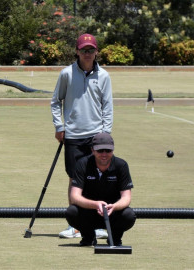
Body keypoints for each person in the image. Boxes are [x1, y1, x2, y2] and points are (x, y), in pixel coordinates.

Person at [51, 33, 113, 239]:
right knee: (75, 179)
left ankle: (97, 225)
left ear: (96, 52)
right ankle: (75, 225)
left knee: (97, 179)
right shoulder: (66, 74)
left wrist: (106, 134)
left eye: (91, 50)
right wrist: (59, 126)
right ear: (77, 51)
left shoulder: (103, 76)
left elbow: (107, 107)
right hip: (74, 135)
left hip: (96, 136)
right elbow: (55, 101)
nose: (87, 54)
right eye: (84, 50)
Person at [65, 133, 136, 246]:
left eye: (108, 151)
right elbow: (74, 196)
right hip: (89, 212)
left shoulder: (121, 165)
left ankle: (115, 238)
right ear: (92, 150)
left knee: (129, 215)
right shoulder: (82, 164)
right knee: (71, 212)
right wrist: (95, 204)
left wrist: (114, 206)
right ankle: (88, 237)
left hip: (112, 212)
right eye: (100, 150)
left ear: (113, 150)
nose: (104, 154)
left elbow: (126, 197)